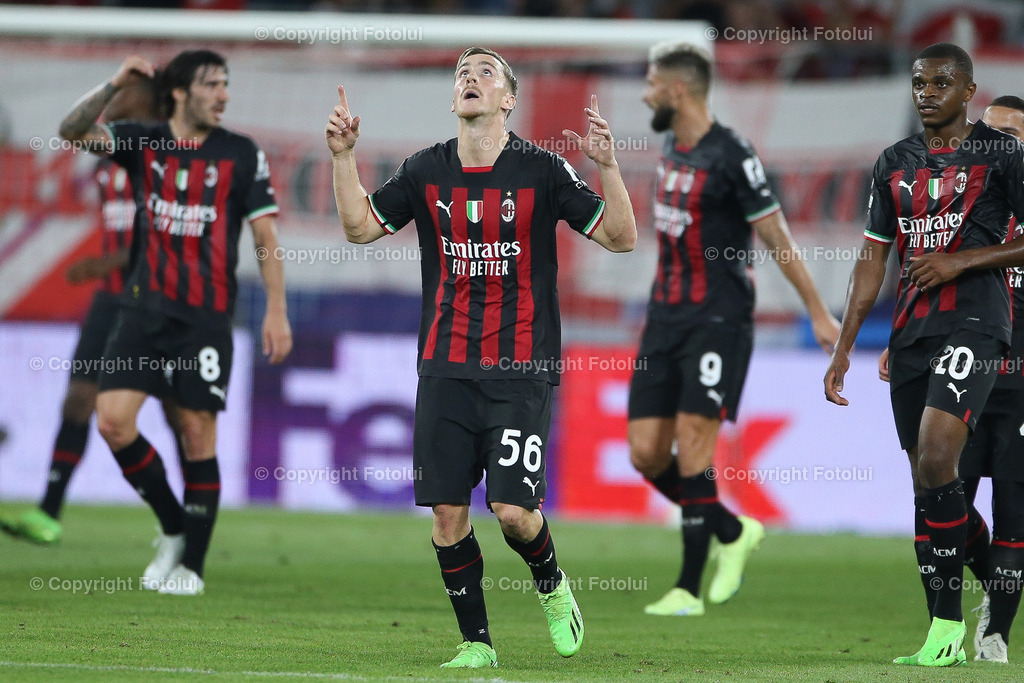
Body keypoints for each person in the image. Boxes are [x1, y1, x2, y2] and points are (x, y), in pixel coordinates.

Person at [326, 47, 637, 668]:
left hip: (521, 367)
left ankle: (551, 583)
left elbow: (621, 238)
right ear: (453, 99)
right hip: (444, 365)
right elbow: (360, 227)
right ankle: (477, 645)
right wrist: (342, 157)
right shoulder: (424, 171)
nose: (471, 79)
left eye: (486, 72)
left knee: (514, 512)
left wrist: (608, 168)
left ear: (508, 99)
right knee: (447, 513)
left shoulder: (543, 171)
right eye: (462, 73)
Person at [58, 50, 292, 595]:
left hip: (205, 318)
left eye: (227, 84)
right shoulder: (144, 140)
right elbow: (71, 130)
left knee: (196, 434)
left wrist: (276, 310)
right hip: (141, 310)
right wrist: (116, 80)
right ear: (182, 91)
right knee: (113, 421)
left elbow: (265, 238)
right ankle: (172, 525)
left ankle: (193, 567)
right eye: (212, 84)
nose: (224, 95)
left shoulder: (241, 153)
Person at [825, 44, 1024, 666]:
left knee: (941, 454)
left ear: (969, 91)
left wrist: (961, 261)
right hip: (912, 331)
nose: (928, 91)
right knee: (930, 479)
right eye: (919, 82)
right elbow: (872, 256)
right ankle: (969, 596)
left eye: (942, 82)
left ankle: (945, 631)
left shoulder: (1003, 156)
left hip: (978, 321)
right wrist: (845, 344)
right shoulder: (894, 162)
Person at [627, 42, 840, 617]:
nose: (645, 94)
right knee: (646, 453)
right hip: (664, 317)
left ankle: (687, 590)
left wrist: (818, 312)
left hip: (718, 320)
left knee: (695, 441)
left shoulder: (734, 156)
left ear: (677, 90)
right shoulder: (673, 143)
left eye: (651, 84)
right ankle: (732, 529)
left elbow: (777, 239)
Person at [0, 77, 187, 545]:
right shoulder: (107, 157)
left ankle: (191, 516)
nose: (117, 102)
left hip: (157, 298)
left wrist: (114, 260)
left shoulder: (170, 153)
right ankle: (48, 513)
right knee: (78, 400)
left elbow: (174, 234)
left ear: (153, 99)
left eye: (126, 94)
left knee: (178, 413)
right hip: (110, 299)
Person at [879, 94, 1024, 664]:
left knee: (1013, 508)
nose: (1002, 143)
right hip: (957, 358)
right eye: (995, 132)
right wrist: (902, 336)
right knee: (935, 486)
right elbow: (915, 262)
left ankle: (995, 633)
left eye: (1015, 135)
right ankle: (957, 612)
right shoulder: (962, 197)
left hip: (1017, 377)